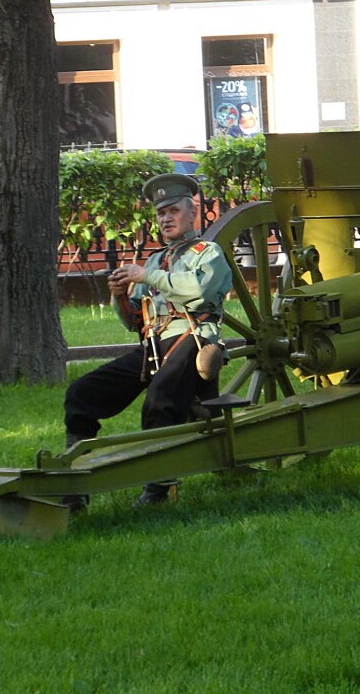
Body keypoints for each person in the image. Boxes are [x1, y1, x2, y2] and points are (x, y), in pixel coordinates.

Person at [63, 173, 232, 506]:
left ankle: (157, 491)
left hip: (193, 340)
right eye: (160, 213)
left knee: (159, 401)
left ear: (191, 212)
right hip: (153, 347)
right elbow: (135, 322)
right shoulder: (156, 259)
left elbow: (198, 292)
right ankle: (75, 484)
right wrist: (118, 296)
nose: (166, 219)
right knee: (80, 394)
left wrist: (145, 275)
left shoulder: (207, 253)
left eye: (173, 211)